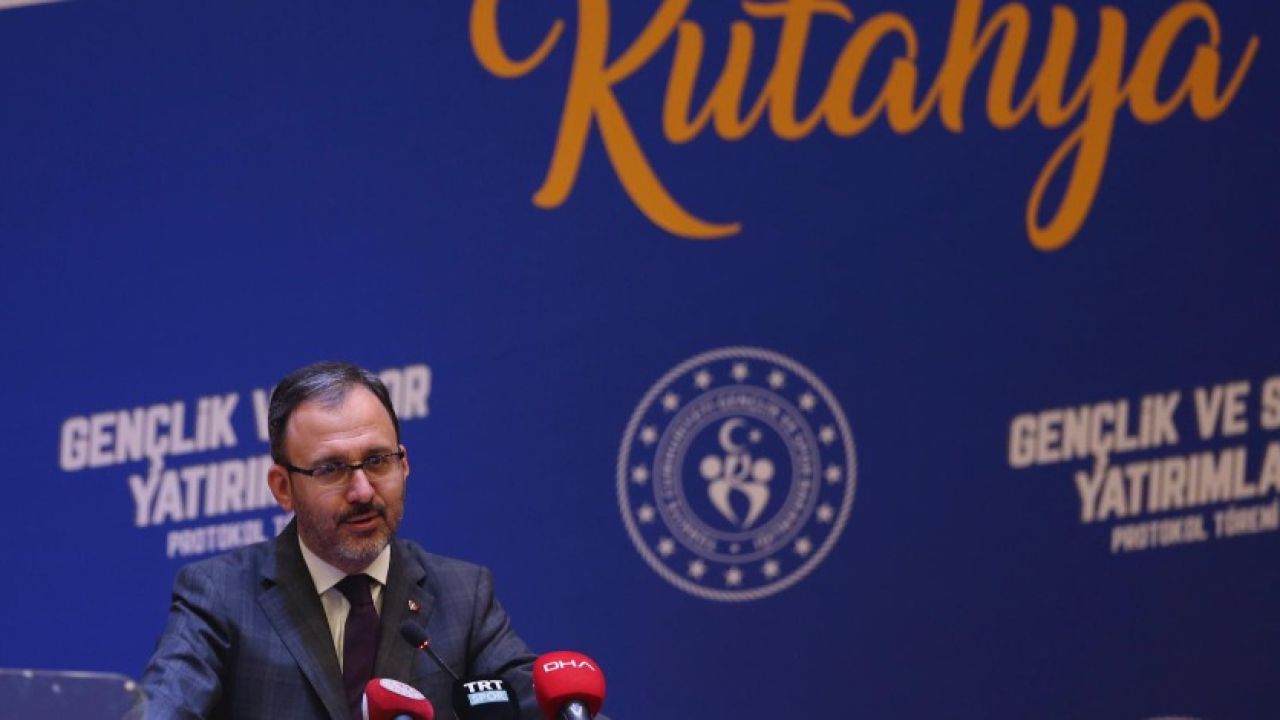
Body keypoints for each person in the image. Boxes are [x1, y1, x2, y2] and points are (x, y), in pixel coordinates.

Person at [141, 361, 540, 719]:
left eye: (377, 461)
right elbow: (164, 706)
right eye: (331, 469)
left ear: (404, 464)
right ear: (283, 488)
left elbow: (541, 705)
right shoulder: (220, 596)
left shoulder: (463, 594)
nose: (363, 491)